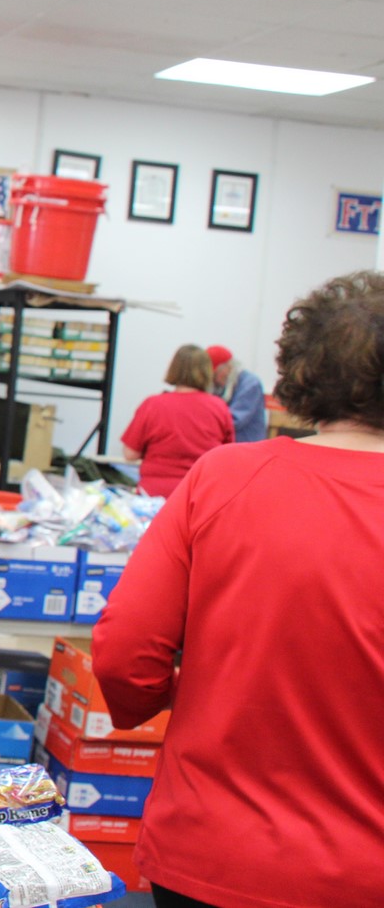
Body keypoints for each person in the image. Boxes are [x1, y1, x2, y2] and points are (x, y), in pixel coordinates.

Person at [93, 272, 384, 908]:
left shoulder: (225, 480)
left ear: (299, 372)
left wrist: (201, 697)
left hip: (210, 852)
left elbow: (125, 653)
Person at [120, 345, 234, 498]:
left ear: (173, 368)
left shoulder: (153, 405)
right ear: (208, 371)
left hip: (155, 497)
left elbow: (130, 454)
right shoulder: (219, 408)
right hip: (201, 495)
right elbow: (227, 457)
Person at [205, 344, 268, 442]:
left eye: (215, 374)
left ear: (228, 367)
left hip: (247, 446)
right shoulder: (220, 385)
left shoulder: (250, 384)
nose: (214, 379)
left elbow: (234, 421)